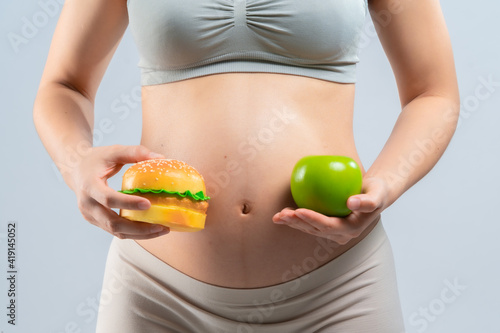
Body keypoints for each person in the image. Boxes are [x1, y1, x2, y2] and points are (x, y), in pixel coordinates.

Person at [33, 0, 459, 332]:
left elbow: (434, 93)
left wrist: (387, 182)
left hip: (339, 291)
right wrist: (76, 163)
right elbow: (64, 85)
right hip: (154, 291)